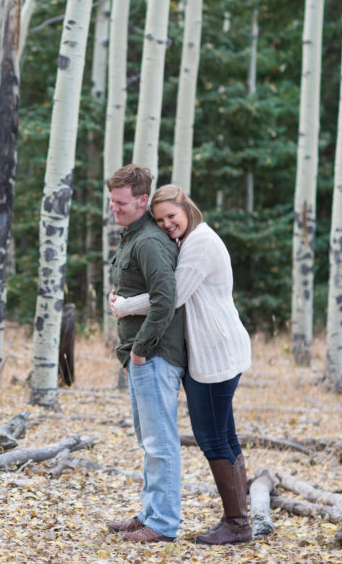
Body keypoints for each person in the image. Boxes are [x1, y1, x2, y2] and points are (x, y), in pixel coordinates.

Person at [109, 184, 252, 545]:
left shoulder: (201, 243)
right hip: (206, 353)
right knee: (222, 436)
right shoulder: (187, 241)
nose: (167, 224)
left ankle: (237, 524)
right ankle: (238, 520)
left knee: (214, 437)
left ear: (187, 207)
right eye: (160, 220)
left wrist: (123, 306)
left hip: (216, 353)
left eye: (171, 216)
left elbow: (171, 295)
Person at [103, 165, 186, 544]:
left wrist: (139, 351)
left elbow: (165, 299)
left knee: (160, 443)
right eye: (111, 200)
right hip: (140, 358)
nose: (113, 207)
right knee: (148, 442)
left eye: (120, 202)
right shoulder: (133, 236)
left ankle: (163, 524)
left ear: (141, 200)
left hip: (153, 357)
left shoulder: (150, 241)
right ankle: (149, 513)